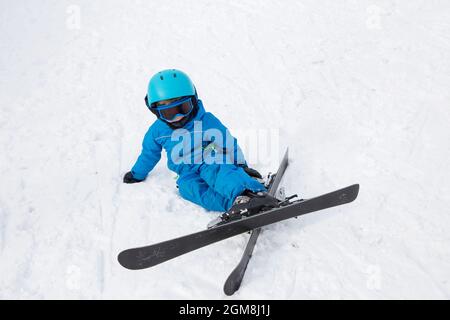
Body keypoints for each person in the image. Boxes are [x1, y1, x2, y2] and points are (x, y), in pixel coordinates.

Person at [123, 69, 278, 214]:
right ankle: (236, 205)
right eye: (168, 113)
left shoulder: (206, 121)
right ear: (156, 112)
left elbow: (227, 142)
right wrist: (137, 174)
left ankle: (252, 193)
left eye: (183, 108)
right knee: (188, 189)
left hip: (208, 159)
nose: (178, 117)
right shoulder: (157, 131)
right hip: (186, 172)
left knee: (217, 171)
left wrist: (241, 165)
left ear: (193, 101)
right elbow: (149, 154)